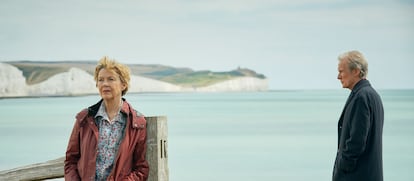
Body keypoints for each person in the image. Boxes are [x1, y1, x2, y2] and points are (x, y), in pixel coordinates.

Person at [64, 56, 149, 180]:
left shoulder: (137, 123)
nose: (105, 84)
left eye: (111, 79)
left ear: (123, 85)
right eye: (101, 80)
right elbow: (71, 161)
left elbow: (141, 168)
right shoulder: (84, 119)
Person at [333, 50, 384, 181]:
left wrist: (343, 166)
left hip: (357, 175)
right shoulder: (372, 95)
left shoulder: (361, 97)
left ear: (355, 71)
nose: (338, 77)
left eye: (341, 71)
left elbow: (357, 141)